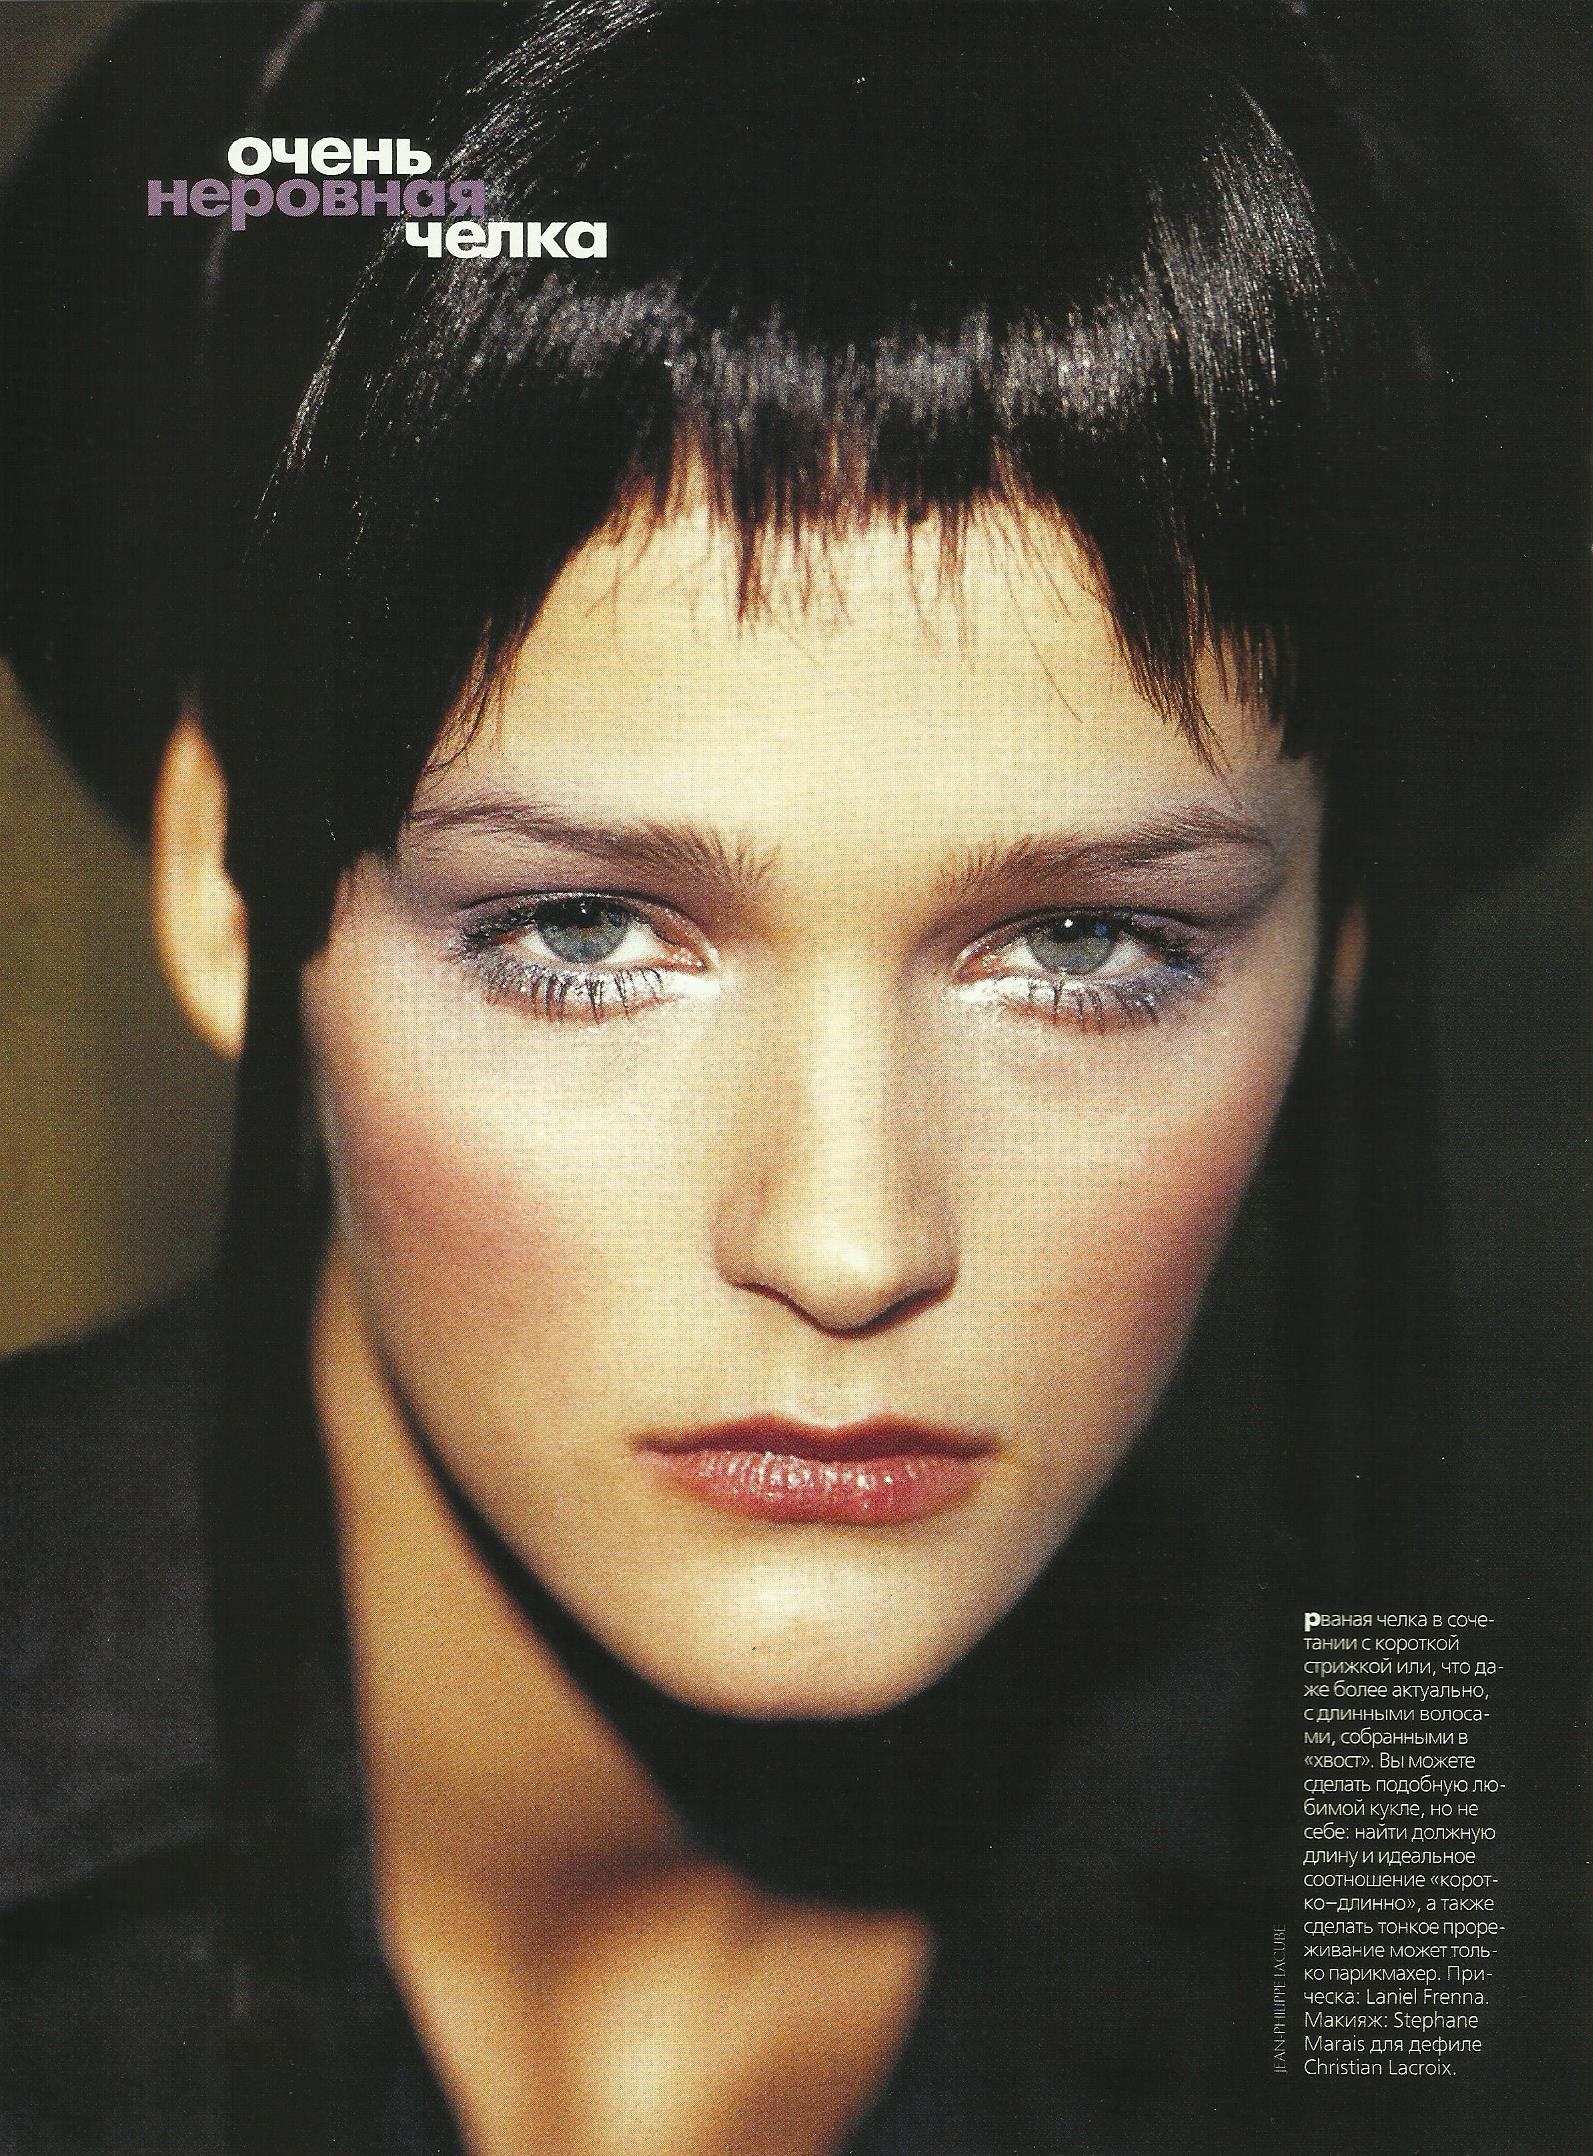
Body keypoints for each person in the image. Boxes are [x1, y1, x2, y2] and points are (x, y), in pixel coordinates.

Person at [0, 4, 1587, 2153]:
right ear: (229, 890)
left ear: (1339, 959)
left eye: (1084, 947)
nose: (845, 1245)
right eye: (581, 933)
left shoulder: (1434, 1935)